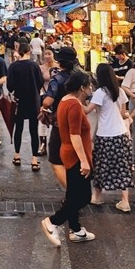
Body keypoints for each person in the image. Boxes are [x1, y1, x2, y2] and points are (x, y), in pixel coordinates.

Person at [41, 71, 95, 247]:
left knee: (73, 194)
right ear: (82, 87)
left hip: (70, 153)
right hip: (75, 155)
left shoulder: (65, 101)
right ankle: (53, 221)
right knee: (83, 197)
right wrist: (85, 161)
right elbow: (75, 135)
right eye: (89, 85)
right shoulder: (74, 105)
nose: (91, 88)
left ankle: (76, 229)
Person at [86, 63, 133, 212]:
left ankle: (97, 196)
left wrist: (73, 100)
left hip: (105, 134)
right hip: (121, 133)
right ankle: (125, 201)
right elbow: (122, 113)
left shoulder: (100, 92)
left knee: (101, 166)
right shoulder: (119, 91)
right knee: (122, 167)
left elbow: (87, 110)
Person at [41, 46, 79, 187]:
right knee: (75, 158)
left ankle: (71, 194)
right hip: (79, 122)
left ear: (59, 61)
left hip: (61, 123)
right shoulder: (81, 77)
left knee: (57, 160)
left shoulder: (57, 79)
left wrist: (44, 107)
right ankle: (78, 189)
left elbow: (48, 101)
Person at [7, 42, 45, 170]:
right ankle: (34, 160)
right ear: (29, 51)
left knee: (19, 129)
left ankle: (17, 156)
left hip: (19, 102)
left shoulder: (13, 66)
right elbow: (40, 82)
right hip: (33, 101)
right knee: (34, 131)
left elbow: (10, 86)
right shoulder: (34, 66)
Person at [37, 47, 59, 156]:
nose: (47, 56)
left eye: (49, 54)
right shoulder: (41, 68)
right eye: (45, 54)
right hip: (44, 96)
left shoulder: (58, 67)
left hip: (57, 98)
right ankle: (43, 145)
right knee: (43, 121)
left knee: (57, 121)